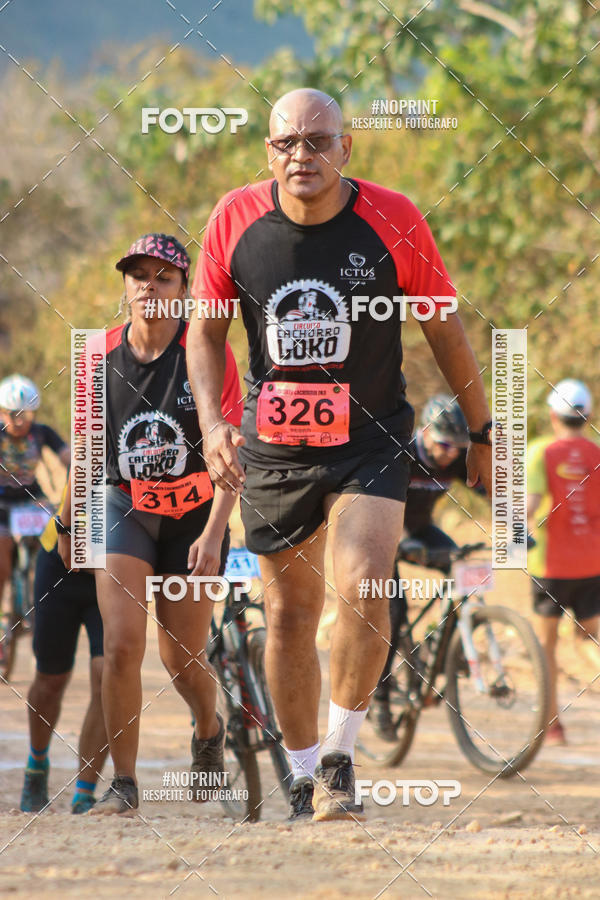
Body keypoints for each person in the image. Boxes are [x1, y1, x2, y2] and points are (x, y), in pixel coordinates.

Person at [186, 88, 492, 821]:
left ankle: (338, 758)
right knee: (290, 615)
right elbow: (204, 332)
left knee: (362, 581)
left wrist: (484, 433)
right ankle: (298, 775)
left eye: (318, 141)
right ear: (268, 150)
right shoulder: (234, 218)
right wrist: (211, 425)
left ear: (345, 148)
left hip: (370, 437)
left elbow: (445, 332)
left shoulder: (394, 217)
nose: (302, 155)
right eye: (286, 143)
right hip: (276, 446)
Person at [58, 233, 242, 814]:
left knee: (181, 659)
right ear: (125, 288)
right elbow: (85, 447)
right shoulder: (96, 355)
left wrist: (214, 534)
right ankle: (126, 784)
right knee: (121, 646)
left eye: (164, 277)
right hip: (123, 508)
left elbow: (230, 453)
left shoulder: (207, 353)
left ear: (185, 291)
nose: (149, 286)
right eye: (139, 275)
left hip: (195, 514)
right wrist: (67, 525)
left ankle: (209, 731)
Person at [371, 394, 485, 739]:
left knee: (465, 571)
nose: (450, 453)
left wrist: (517, 525)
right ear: (427, 432)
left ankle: (446, 645)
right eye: (445, 444)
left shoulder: (454, 460)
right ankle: (381, 700)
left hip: (420, 530)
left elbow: (490, 490)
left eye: (458, 446)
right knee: (394, 611)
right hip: (384, 533)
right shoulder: (401, 452)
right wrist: (398, 541)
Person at [20, 488, 109, 814]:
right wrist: (67, 531)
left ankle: (84, 792)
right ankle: (36, 764)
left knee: (108, 677)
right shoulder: (96, 436)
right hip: (61, 559)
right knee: (51, 678)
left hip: (114, 565)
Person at [527, 378, 600, 746]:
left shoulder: (541, 450)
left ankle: (551, 725)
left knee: (546, 648)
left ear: (553, 416)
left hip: (550, 567)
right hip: (592, 562)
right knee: (589, 639)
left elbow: (527, 505)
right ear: (586, 417)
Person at [0, 374, 70, 631]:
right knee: (2, 549)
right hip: (2, 503)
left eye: (26, 415)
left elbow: (67, 456)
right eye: (12, 414)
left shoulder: (42, 433)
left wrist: (81, 472)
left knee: (55, 540)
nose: (19, 422)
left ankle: (47, 598)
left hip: (32, 499)